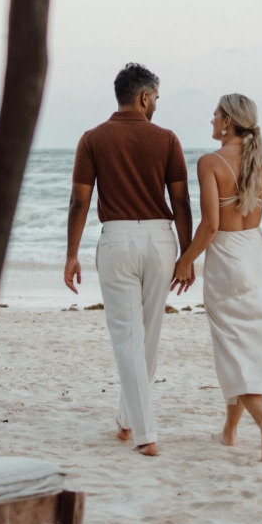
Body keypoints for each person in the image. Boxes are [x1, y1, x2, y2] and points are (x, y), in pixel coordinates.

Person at [65, 63, 194, 457]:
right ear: (143, 97)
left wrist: (71, 253)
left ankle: (138, 427)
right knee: (147, 337)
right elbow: (182, 201)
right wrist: (187, 255)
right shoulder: (167, 139)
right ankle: (135, 425)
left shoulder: (91, 139)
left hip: (117, 240)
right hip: (160, 240)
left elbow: (80, 202)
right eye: (155, 97)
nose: (156, 104)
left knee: (128, 338)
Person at [172, 92, 262, 461]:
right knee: (247, 348)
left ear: (228, 121)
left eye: (215, 115)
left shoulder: (210, 163)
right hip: (258, 256)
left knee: (233, 351)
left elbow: (211, 225)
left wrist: (186, 261)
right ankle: (229, 432)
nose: (212, 120)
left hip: (228, 259)